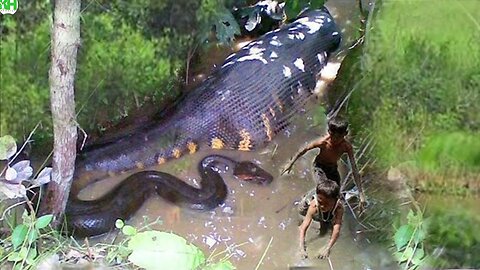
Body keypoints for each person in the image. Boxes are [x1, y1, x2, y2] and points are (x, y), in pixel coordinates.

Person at [282, 118, 366, 211]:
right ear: (329, 132)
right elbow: (304, 149)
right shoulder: (323, 142)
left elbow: (354, 168)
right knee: (324, 190)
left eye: (339, 137)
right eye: (333, 135)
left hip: (332, 169)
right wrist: (290, 163)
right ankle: (306, 203)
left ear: (345, 134)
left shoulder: (346, 147)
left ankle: (328, 215)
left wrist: (361, 193)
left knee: (335, 193)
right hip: (319, 167)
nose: (335, 139)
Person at [297, 178, 343, 259]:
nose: (323, 206)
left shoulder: (339, 208)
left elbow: (337, 229)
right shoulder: (314, 205)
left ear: (335, 201)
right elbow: (303, 227)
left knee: (327, 224)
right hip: (305, 206)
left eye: (327, 204)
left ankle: (324, 218)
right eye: (321, 203)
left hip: (328, 208)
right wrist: (301, 248)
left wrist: (327, 248)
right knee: (302, 217)